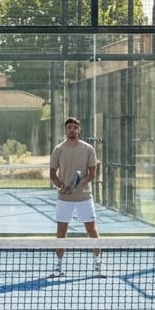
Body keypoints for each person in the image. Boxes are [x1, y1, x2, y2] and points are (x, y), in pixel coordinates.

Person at [48, 116, 100, 277]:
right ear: (65, 130)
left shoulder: (88, 149)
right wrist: (61, 185)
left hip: (84, 197)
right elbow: (52, 174)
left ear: (79, 129)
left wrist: (79, 185)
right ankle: (58, 267)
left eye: (75, 127)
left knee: (91, 230)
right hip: (64, 199)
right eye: (69, 127)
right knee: (61, 232)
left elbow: (92, 174)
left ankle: (97, 265)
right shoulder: (58, 149)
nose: (72, 130)